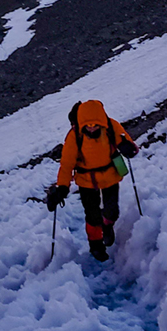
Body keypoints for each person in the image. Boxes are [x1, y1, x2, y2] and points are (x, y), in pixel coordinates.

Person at [46, 99, 138, 262]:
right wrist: (62, 188)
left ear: (101, 122)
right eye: (88, 125)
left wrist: (128, 147)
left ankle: (107, 225)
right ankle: (96, 246)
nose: (92, 127)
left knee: (112, 210)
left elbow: (128, 143)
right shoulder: (74, 136)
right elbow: (66, 165)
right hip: (86, 181)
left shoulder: (111, 126)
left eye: (96, 125)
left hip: (110, 176)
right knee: (92, 215)